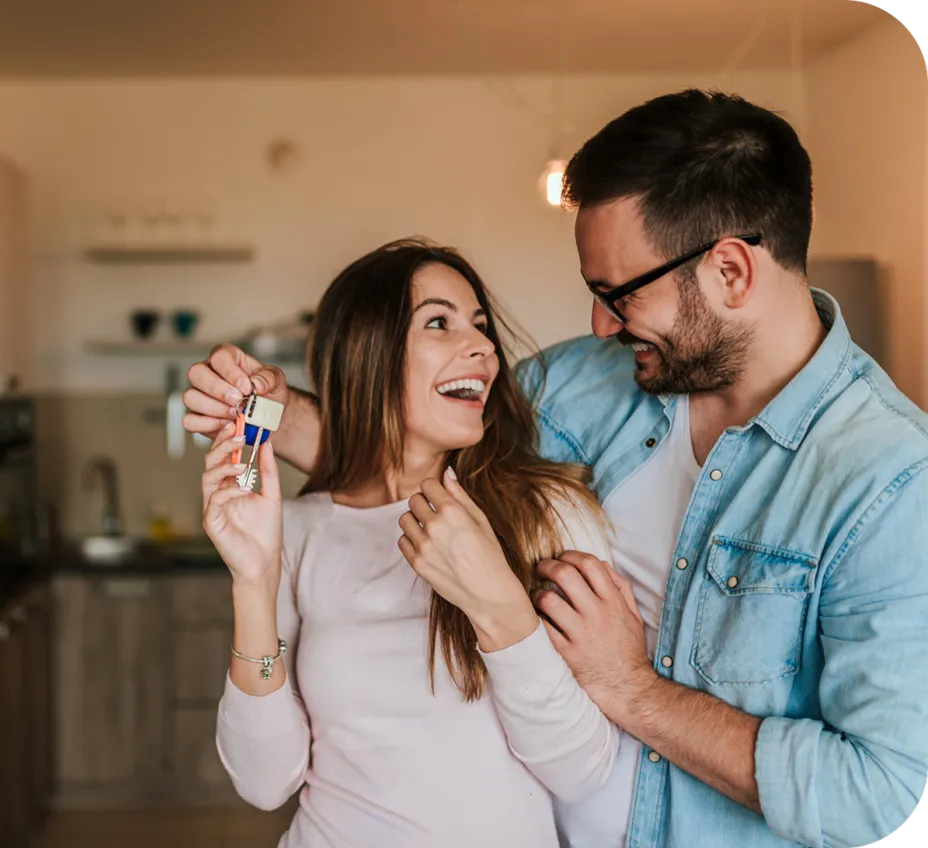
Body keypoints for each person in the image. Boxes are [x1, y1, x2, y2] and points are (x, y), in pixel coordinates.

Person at [184, 90, 928, 848]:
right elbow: (409, 444)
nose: (601, 325)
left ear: (731, 272)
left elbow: (878, 793)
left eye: (619, 295)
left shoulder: (889, 481)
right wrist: (266, 409)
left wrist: (632, 689)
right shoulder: (588, 383)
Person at [198, 239, 625, 848]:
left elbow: (583, 771)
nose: (482, 348)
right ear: (368, 355)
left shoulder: (549, 513)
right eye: (439, 323)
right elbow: (264, 781)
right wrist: (254, 581)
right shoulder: (300, 529)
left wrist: (501, 608)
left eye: (480, 326)